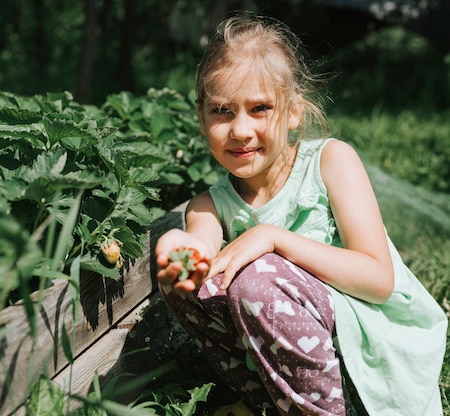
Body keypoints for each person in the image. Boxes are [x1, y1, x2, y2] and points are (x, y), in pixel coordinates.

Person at [155, 13, 447, 416]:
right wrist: (178, 249)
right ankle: (276, 403)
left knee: (255, 279)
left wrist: (273, 237)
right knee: (195, 286)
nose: (240, 130)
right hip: (300, 368)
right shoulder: (209, 204)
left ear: (293, 113)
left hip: (374, 356)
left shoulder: (330, 162)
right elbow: (200, 245)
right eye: (222, 110)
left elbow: (378, 281)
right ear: (202, 117)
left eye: (259, 108)